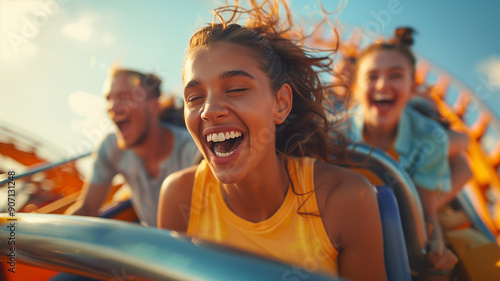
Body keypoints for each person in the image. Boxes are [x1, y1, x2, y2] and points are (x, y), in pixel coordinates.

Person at [157, 1, 387, 280]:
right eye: (194, 97)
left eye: (237, 89)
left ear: (281, 104)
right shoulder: (179, 197)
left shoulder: (345, 199)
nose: (209, 110)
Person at [342, 27, 459, 275]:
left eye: (395, 75)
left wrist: (435, 244)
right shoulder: (335, 130)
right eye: (372, 76)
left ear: (413, 87)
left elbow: (426, 210)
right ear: (356, 86)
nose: (383, 84)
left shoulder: (430, 137)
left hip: (396, 226)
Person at [65, 68, 201, 227]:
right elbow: (87, 208)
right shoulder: (111, 148)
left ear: (154, 105)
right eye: (109, 99)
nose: (113, 107)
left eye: (125, 97)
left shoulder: (194, 153)